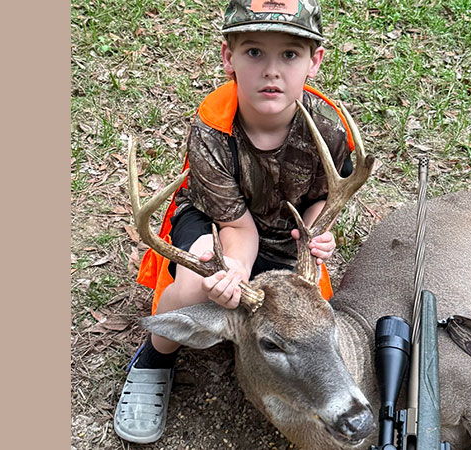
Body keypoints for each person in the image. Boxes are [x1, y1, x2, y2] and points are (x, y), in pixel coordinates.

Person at [114, 0, 356, 443]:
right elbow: (237, 228)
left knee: (307, 316)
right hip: (215, 225)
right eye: (253, 52)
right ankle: (155, 359)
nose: (271, 71)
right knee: (194, 286)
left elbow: (325, 199)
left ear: (314, 61)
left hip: (287, 236)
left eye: (289, 54)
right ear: (228, 57)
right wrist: (230, 274)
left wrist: (318, 232)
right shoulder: (213, 128)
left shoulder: (330, 130)